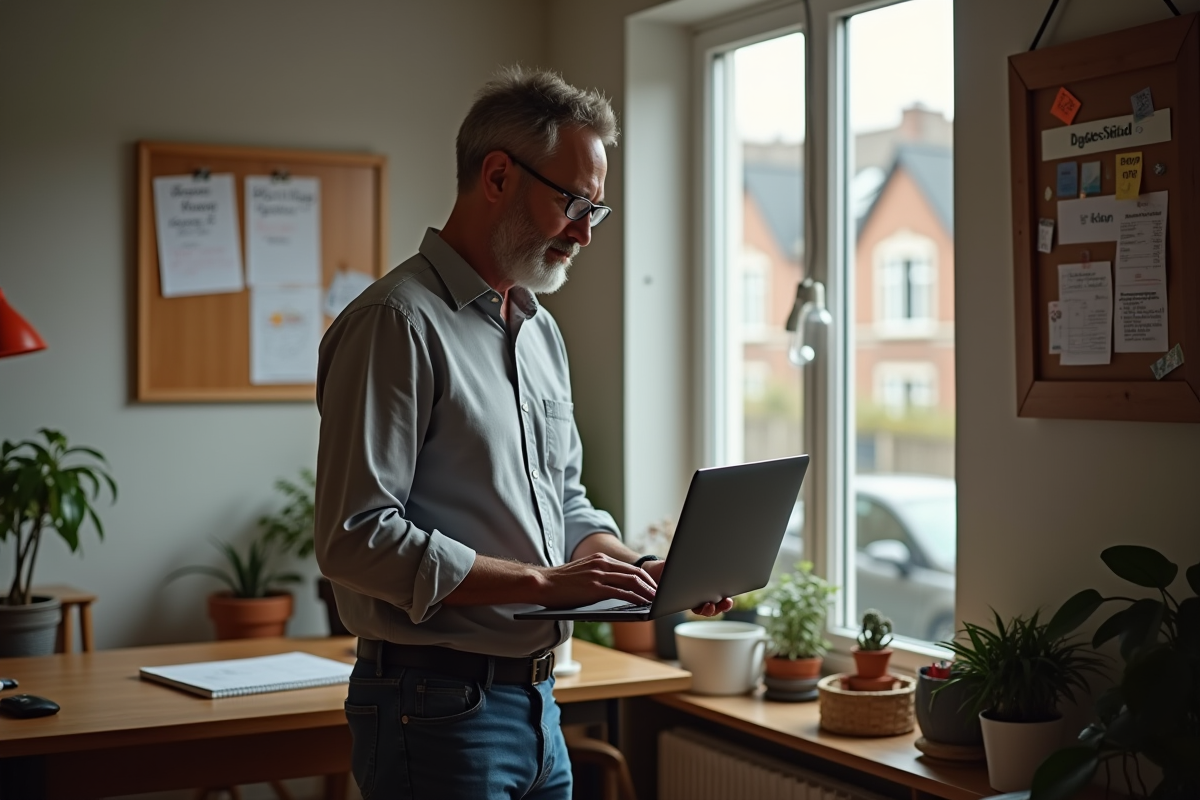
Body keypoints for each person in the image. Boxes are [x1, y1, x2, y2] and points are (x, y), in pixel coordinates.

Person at [314, 66, 732, 800]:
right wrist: (544, 582)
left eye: (596, 213)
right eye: (573, 203)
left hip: (538, 706)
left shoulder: (539, 333)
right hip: (433, 708)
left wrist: (630, 572)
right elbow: (355, 536)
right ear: (499, 176)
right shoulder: (396, 323)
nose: (584, 234)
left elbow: (564, 503)